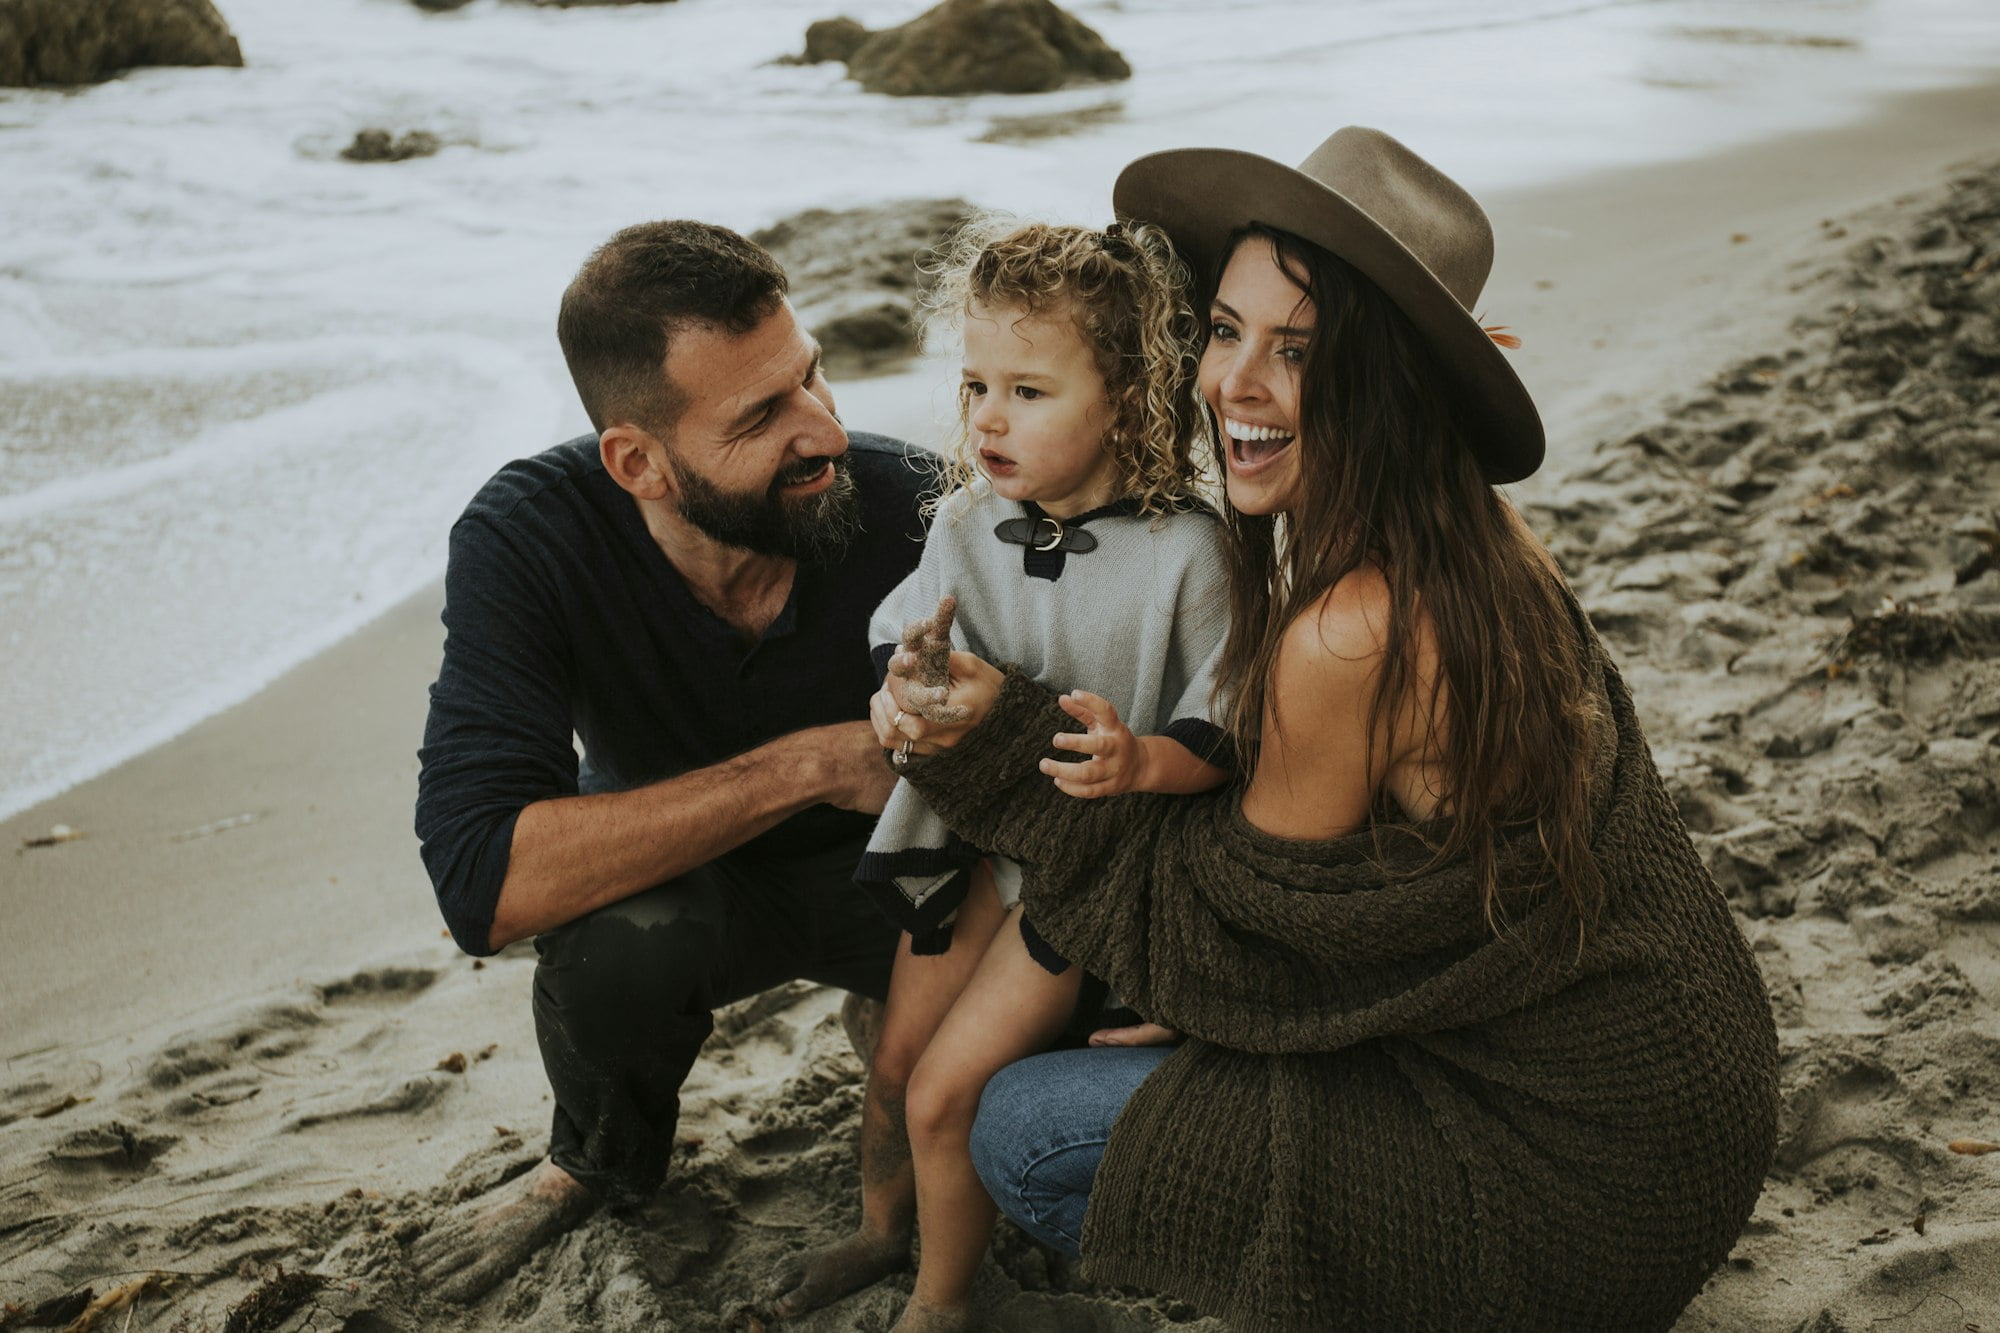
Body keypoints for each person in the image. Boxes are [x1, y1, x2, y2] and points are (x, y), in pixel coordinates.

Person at [872, 127, 1781, 1330]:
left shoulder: (1349, 629)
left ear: (1386, 379)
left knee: (1022, 1128)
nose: (1233, 384)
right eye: (1226, 329)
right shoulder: (1482, 547)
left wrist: (1004, 743)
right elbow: (1367, 895)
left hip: (1571, 1195)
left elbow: (1250, 932)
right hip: (1683, 1111)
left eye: (1295, 352)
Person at [410, 219, 927, 1310]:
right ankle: (592, 1161)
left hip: (900, 869)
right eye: (761, 416)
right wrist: (806, 767)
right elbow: (481, 881)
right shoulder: (528, 539)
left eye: (811, 378)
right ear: (637, 462)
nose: (824, 429)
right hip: (692, 882)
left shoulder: (919, 508)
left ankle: (890, 1014)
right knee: (618, 949)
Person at [832, 218, 1232, 1333]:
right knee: (898, 1065)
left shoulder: (1189, 555)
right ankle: (876, 1230)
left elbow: (1226, 725)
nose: (987, 418)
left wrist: (1139, 756)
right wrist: (899, 684)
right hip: (971, 849)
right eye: (972, 386)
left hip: (1082, 880)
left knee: (952, 1087)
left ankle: (942, 1299)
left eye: (1027, 390)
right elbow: (898, 639)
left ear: (1124, 398)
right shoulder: (964, 519)